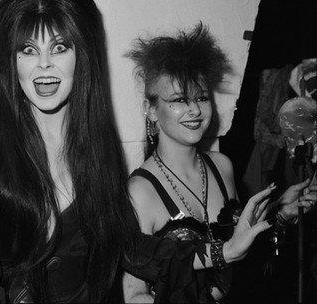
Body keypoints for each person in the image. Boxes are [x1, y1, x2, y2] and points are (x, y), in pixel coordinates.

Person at [0, 0, 276, 303]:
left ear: (83, 55)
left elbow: (129, 249)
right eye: (29, 50)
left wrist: (223, 251)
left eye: (60, 47)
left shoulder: (99, 154)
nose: (44, 65)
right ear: (11, 61)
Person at [123, 23, 317, 302]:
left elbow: (238, 251)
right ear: (151, 110)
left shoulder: (222, 166)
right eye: (179, 99)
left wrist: (281, 212)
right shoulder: (139, 192)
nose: (194, 109)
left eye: (202, 97)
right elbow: (133, 296)